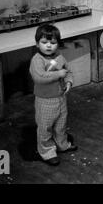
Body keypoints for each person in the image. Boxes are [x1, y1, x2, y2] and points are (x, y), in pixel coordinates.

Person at [29, 24, 78, 166]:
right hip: (45, 100)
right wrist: (58, 74)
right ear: (37, 44)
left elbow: (68, 71)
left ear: (58, 43)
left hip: (61, 98)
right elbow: (39, 77)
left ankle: (62, 144)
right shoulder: (37, 60)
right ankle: (47, 152)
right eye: (44, 42)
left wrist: (69, 82)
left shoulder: (60, 57)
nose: (49, 46)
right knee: (45, 128)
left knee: (61, 125)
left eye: (53, 42)